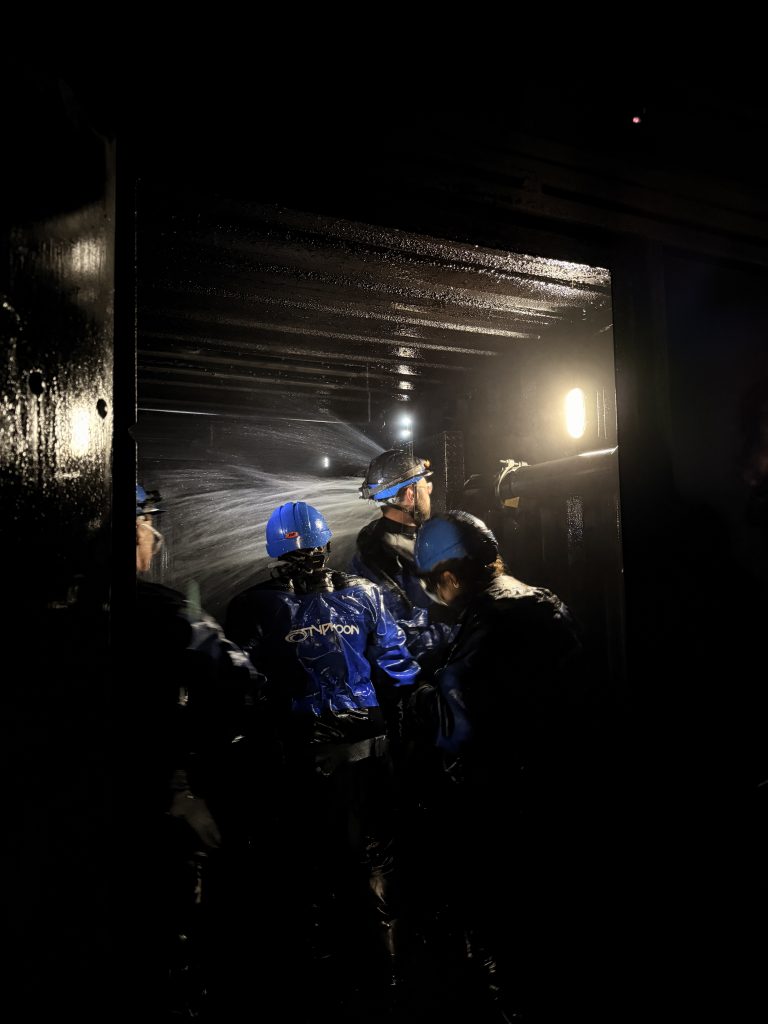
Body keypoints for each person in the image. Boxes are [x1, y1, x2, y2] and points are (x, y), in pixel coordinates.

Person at [225, 500, 420, 996]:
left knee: (307, 859)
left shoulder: (252, 606)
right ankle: (389, 970)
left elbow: (242, 686)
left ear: (273, 550)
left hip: (302, 757)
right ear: (327, 542)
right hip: (368, 750)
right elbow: (397, 667)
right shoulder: (367, 595)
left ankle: (317, 977)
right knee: (375, 858)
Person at [406, 509, 586, 1020]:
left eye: (434, 586)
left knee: (510, 937)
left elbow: (458, 731)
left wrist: (422, 701)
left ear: (448, 577)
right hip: (561, 793)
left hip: (509, 809)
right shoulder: (543, 601)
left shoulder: (487, 624)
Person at [133, 483, 259, 1018]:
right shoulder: (166, 612)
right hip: (162, 801)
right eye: (143, 522)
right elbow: (240, 679)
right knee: (171, 930)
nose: (154, 535)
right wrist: (186, 785)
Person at [353, 448, 455, 669]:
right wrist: (456, 632)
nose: (430, 488)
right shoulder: (379, 559)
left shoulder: (417, 537)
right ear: (410, 494)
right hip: (422, 675)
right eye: (423, 485)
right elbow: (400, 636)